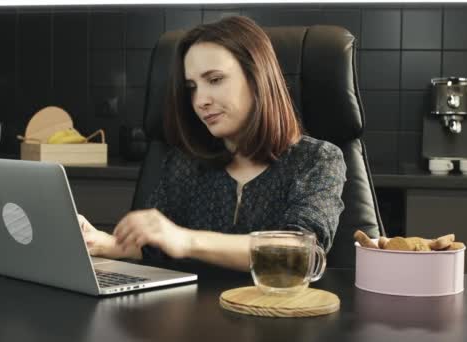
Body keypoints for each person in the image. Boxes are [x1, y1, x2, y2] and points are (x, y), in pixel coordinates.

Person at [78, 16, 346, 272]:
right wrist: (103, 242)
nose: (200, 101)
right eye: (192, 87)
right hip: (190, 316)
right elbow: (154, 247)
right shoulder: (183, 163)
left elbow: (302, 254)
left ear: (257, 78)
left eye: (215, 80)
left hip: (276, 316)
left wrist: (187, 240)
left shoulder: (318, 159)